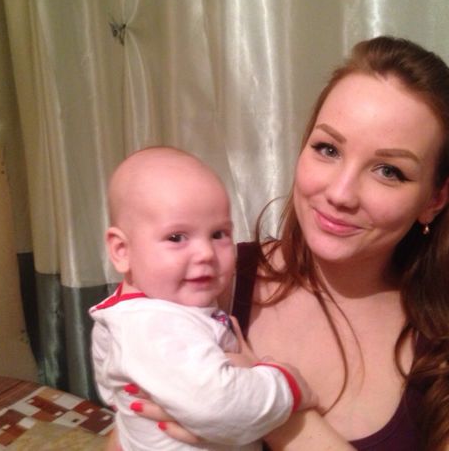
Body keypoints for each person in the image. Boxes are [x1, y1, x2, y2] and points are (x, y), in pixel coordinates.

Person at [127, 37, 449, 450]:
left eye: (389, 171)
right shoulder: (207, 275)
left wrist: (278, 415)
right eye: (328, 149)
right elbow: (127, 433)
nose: (340, 193)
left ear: (436, 199)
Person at [90, 146, 317, 451]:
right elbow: (219, 406)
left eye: (218, 234)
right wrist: (288, 387)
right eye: (176, 237)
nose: (206, 253)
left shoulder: (136, 312)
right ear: (122, 250)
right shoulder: (152, 324)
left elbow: (112, 390)